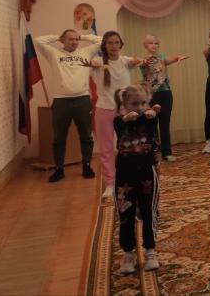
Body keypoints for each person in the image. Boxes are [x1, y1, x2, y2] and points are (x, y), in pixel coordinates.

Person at [34, 29, 102, 183]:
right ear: (62, 40)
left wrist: (82, 36)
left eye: (76, 39)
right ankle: (59, 169)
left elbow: (102, 40)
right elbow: (38, 40)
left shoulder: (85, 52)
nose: (74, 42)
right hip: (61, 101)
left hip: (83, 99)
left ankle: (86, 166)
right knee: (59, 137)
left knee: (86, 136)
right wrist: (57, 36)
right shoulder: (54, 53)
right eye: (70, 39)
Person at [86, 31, 142, 198]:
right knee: (106, 149)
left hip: (125, 111)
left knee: (131, 145)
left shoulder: (125, 61)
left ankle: (131, 178)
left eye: (117, 42)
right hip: (104, 110)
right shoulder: (98, 62)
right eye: (110, 43)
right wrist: (82, 37)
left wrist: (139, 60)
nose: (114, 46)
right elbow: (90, 58)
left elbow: (136, 61)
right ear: (104, 45)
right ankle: (110, 183)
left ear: (121, 45)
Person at [113, 84, 162, 274]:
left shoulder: (149, 118)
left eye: (143, 103)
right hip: (125, 176)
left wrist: (153, 114)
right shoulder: (119, 121)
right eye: (135, 104)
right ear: (124, 105)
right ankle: (128, 254)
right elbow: (120, 124)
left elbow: (154, 134)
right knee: (126, 213)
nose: (140, 108)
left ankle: (150, 251)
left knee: (149, 211)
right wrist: (126, 118)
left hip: (147, 174)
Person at [140, 34, 189, 163]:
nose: (154, 45)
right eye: (151, 43)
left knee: (165, 124)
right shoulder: (143, 59)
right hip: (151, 95)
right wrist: (145, 61)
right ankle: (152, 152)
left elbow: (171, 58)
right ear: (145, 45)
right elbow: (140, 63)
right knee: (151, 124)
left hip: (166, 93)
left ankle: (166, 153)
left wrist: (178, 57)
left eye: (156, 43)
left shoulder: (162, 57)